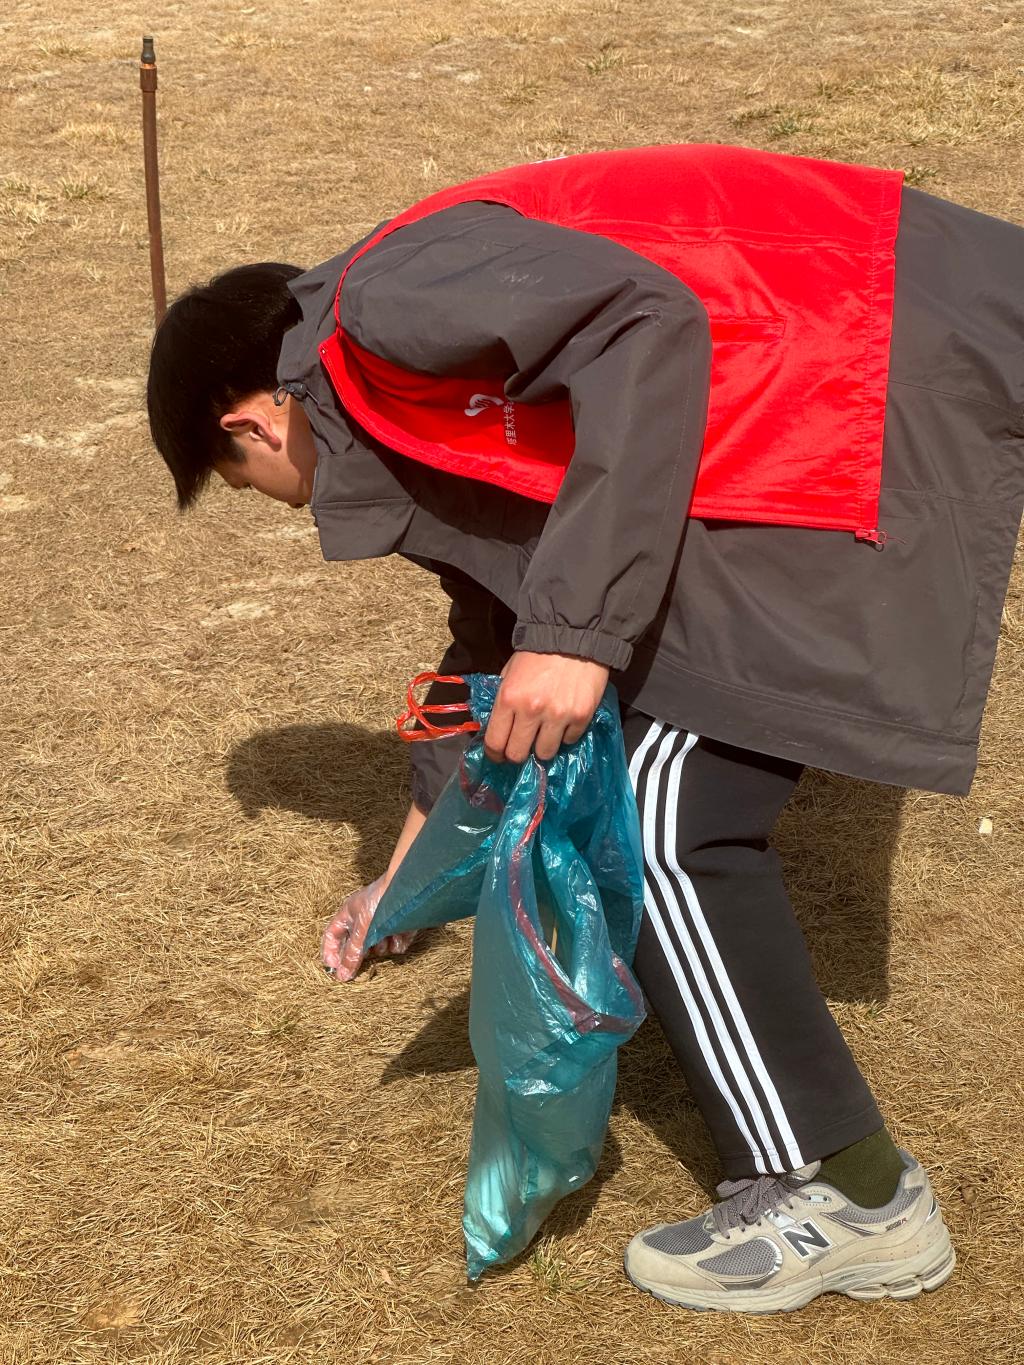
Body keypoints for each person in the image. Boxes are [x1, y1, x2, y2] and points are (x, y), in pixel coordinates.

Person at [146, 144, 1024, 1313]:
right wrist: (404, 879)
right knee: (642, 766)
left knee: (662, 826)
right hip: (832, 376)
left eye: (238, 484)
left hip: (864, 361)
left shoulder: (384, 301)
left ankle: (850, 1198)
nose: (270, 506)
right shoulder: (385, 383)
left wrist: (575, 638)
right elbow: (495, 622)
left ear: (250, 426)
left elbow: (644, 321)